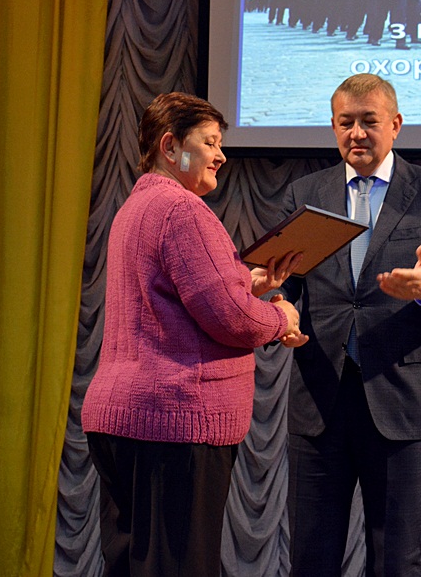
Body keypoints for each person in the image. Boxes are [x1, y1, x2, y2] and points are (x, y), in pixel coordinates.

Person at [81, 92, 306, 576]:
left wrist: (246, 282)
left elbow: (173, 295)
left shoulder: (136, 207)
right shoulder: (182, 209)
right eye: (210, 142)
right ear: (170, 146)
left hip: (125, 420)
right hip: (174, 424)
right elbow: (231, 317)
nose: (221, 155)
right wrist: (281, 318)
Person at [276, 74, 421, 576]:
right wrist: (279, 309)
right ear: (333, 126)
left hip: (401, 400)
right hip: (320, 400)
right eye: (345, 122)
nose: (357, 133)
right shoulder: (305, 193)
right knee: (310, 558)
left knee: (395, 559)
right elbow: (284, 280)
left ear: (396, 124)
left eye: (369, 121)